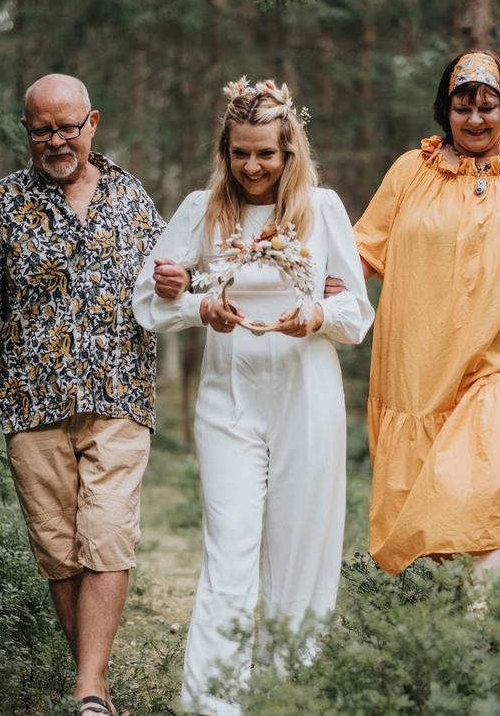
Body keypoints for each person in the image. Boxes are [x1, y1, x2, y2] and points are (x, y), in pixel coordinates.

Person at [132, 77, 374, 716]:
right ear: (225, 150)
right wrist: (194, 305)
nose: (253, 166)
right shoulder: (199, 210)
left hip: (306, 394)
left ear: (289, 150)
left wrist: (317, 315)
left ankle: (291, 697)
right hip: (229, 396)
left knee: (303, 553)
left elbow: (357, 313)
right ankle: (215, 704)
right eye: (240, 153)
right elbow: (148, 303)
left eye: (266, 153)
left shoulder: (322, 209)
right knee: (230, 548)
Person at [0, 74, 165, 716]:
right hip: (32, 403)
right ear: (27, 131)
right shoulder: (2, 206)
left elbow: (168, 281)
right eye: (42, 129)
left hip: (120, 395)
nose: (56, 141)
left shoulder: (132, 199)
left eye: (67, 127)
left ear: (92, 123)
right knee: (58, 548)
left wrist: (182, 281)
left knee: (107, 534)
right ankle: (92, 679)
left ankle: (90, 690)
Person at [351, 50, 500, 578]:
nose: (476, 119)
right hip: (421, 370)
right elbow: (361, 253)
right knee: (429, 505)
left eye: (488, 106)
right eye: (463, 107)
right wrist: (302, 298)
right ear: (445, 110)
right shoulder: (412, 172)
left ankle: (481, 624)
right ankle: (444, 631)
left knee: (492, 477)